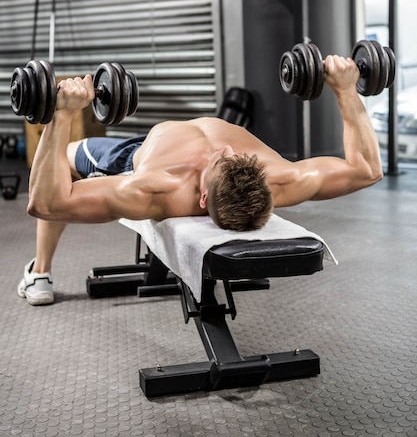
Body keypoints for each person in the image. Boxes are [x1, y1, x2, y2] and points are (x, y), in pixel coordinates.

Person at [18, 54, 383, 305]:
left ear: (202, 200)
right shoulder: (281, 178)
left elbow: (47, 202)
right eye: (235, 156)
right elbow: (367, 169)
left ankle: (40, 272)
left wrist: (61, 116)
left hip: (135, 155)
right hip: (162, 147)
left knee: (62, 160)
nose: (223, 150)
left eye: (218, 163)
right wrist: (346, 89)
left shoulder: (156, 189)